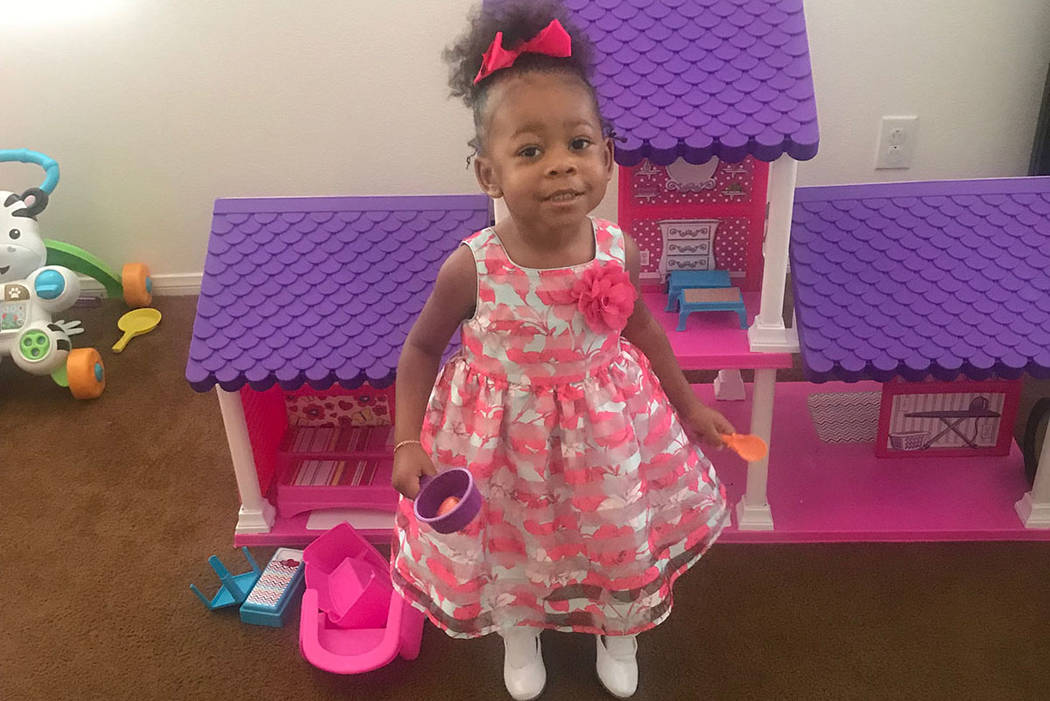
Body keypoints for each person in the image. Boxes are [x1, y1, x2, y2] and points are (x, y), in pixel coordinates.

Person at [390, 2, 731, 698]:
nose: (561, 166)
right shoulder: (471, 266)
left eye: (578, 143)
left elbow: (643, 330)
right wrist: (404, 440)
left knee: (613, 535)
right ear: (488, 173)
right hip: (501, 444)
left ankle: (619, 627)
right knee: (513, 541)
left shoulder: (617, 250)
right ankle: (520, 631)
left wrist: (691, 404)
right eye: (529, 151)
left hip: (605, 432)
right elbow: (421, 348)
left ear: (606, 155)